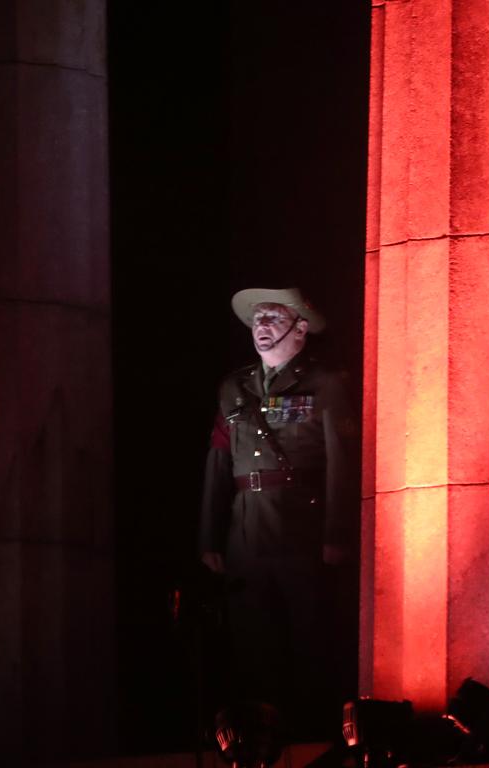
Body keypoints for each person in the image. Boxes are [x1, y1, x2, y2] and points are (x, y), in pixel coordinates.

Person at [199, 287, 356, 737]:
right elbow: (218, 459)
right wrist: (209, 537)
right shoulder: (234, 387)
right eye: (257, 318)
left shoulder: (327, 383)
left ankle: (310, 736)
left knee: (308, 639)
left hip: (299, 527)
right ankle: (258, 740)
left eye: (272, 316)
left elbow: (343, 461)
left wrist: (337, 534)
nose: (261, 326)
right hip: (244, 529)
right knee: (250, 643)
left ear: (300, 329)